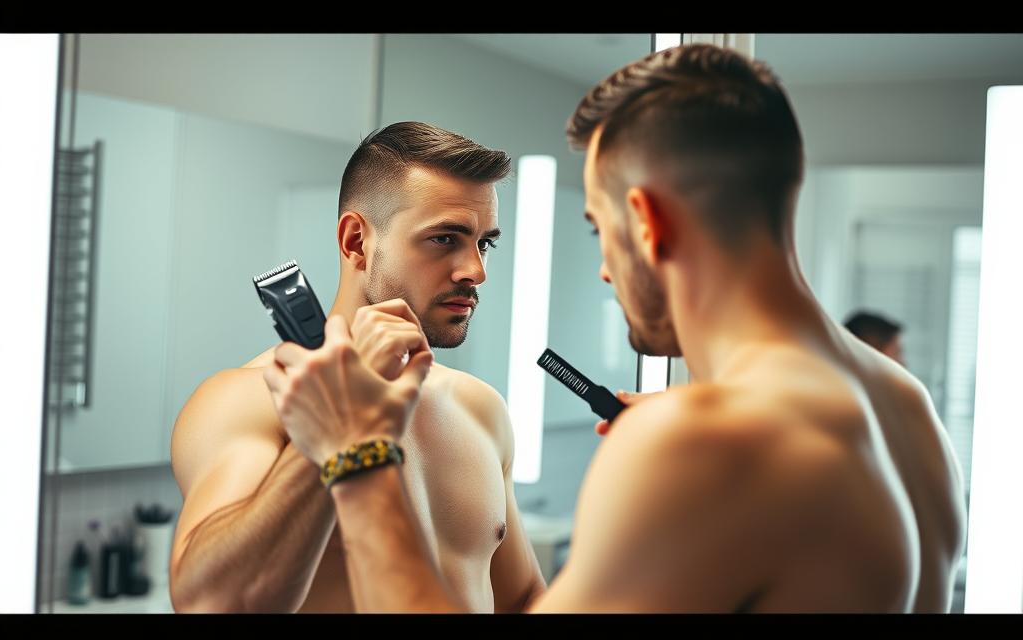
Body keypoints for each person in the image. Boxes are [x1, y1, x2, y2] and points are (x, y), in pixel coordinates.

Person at [267, 44, 967, 613]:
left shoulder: (703, 442)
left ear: (646, 222)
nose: (604, 270)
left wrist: (359, 460)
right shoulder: (905, 408)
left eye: (600, 229)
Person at [169, 122, 546, 613]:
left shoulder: (481, 408)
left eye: (484, 243)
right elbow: (211, 604)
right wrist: (337, 432)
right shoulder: (246, 401)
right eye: (444, 239)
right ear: (355, 241)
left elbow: (522, 599)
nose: (476, 270)